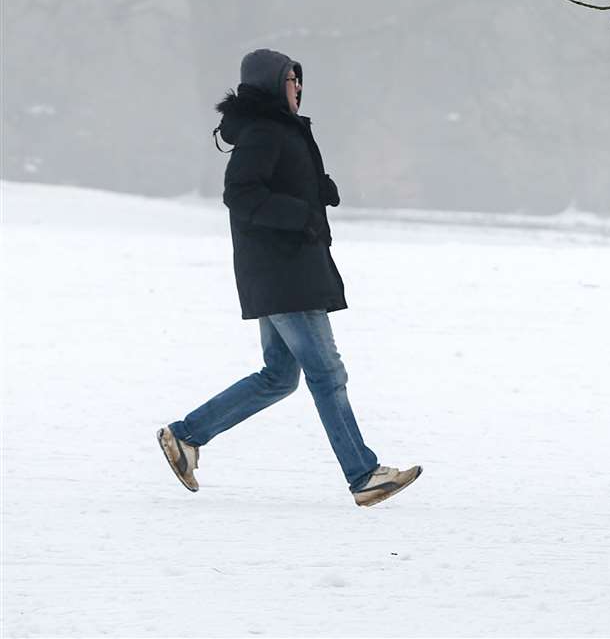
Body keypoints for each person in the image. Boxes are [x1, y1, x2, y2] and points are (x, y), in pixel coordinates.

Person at [157, 49, 421, 508]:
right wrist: (300, 214)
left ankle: (186, 436)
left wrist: (315, 190)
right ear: (271, 85)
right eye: (290, 80)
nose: (298, 87)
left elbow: (273, 185)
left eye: (299, 80)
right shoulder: (263, 132)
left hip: (284, 272)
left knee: (279, 376)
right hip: (285, 275)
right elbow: (240, 194)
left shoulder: (279, 130)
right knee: (326, 372)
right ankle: (363, 475)